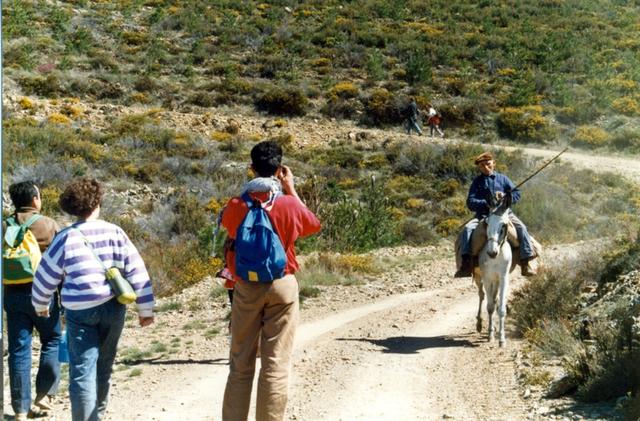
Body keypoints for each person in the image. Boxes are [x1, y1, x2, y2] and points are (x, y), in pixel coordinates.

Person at [31, 177, 155, 421]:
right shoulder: (114, 232)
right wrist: (145, 308)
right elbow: (137, 270)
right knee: (104, 367)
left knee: (81, 373)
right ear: (97, 203)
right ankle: (96, 415)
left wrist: (41, 304)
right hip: (113, 308)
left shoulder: (65, 238)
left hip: (80, 313)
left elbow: (45, 276)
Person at [221, 141, 321, 421]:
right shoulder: (288, 205)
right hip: (282, 284)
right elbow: (313, 224)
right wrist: (291, 189)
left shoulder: (237, 205)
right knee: (275, 365)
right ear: (279, 170)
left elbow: (228, 229)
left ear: (251, 169)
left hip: (246, 287)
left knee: (240, 365)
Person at [3, 181, 61, 421]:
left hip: (13, 294)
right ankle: (45, 396)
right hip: (44, 293)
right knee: (52, 339)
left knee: (19, 349)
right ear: (35, 199)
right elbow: (62, 261)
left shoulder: (4, 226)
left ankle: (20, 409)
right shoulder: (48, 224)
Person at [455, 152, 537, 278]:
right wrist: (485, 202)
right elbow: (470, 202)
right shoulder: (477, 182)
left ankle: (526, 262)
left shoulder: (503, 179)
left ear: (494, 163)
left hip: (504, 214)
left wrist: (506, 197)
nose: (485, 167)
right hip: (483, 215)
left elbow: (517, 194)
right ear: (479, 167)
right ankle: (466, 264)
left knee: (521, 228)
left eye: (488, 164)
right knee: (467, 229)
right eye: (482, 165)